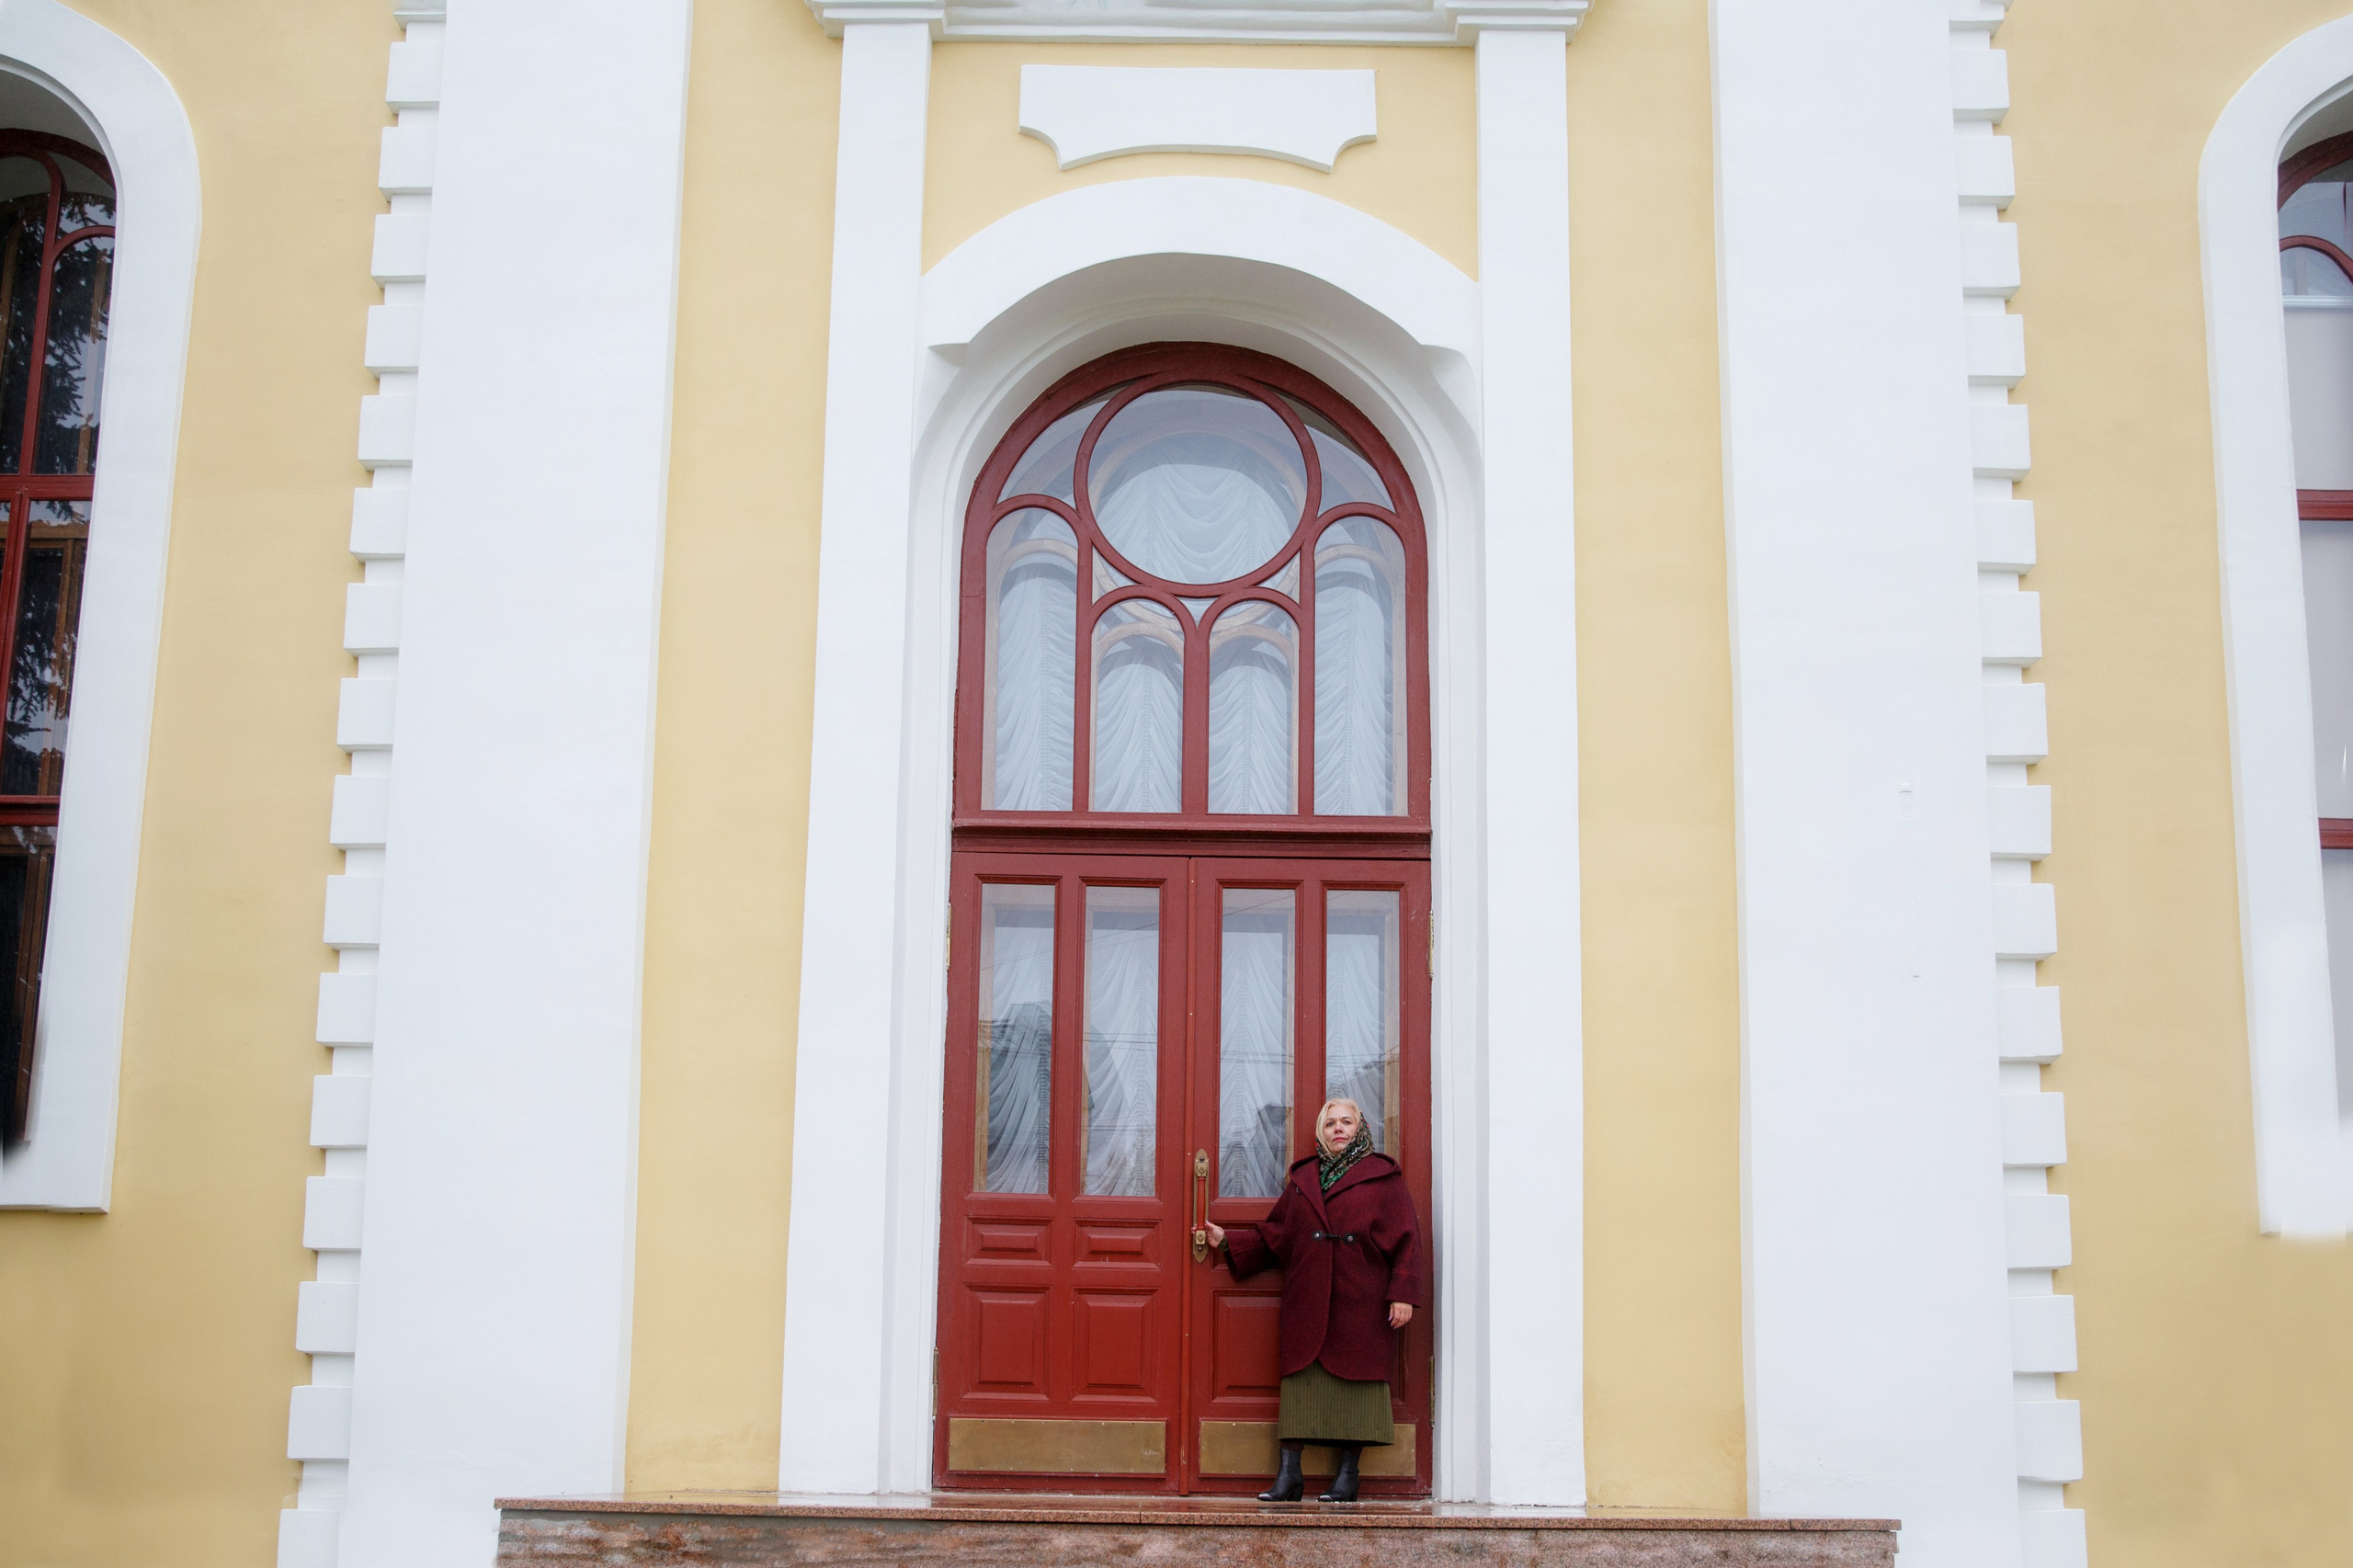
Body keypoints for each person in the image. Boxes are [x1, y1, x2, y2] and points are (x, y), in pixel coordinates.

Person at [1203, 1097, 1424, 1504]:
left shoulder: (1384, 1179)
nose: (1338, 1129)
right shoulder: (1305, 1180)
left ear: (1360, 1128)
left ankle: (1348, 1477)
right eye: (1329, 1124)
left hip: (1363, 1300)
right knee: (1301, 1389)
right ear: (1320, 1132)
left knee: (1356, 1387)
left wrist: (1403, 1295)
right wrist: (1230, 1242)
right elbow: (1277, 1234)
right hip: (1309, 1298)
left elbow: (1408, 1241)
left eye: (1346, 1122)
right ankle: (1290, 1477)